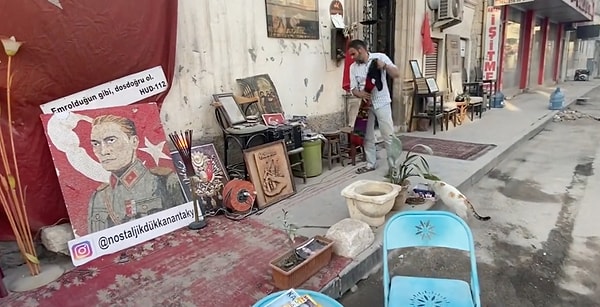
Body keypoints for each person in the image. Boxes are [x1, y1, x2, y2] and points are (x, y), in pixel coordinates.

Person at [87, 114, 185, 233]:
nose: (103, 151)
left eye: (111, 140)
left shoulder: (164, 181)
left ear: (134, 142)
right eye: (96, 144)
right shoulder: (100, 196)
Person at [348, 39, 400, 174]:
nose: (352, 57)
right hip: (365, 105)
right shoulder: (353, 67)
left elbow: (396, 74)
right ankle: (370, 164)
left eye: (353, 54)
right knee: (367, 135)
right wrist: (361, 94)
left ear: (360, 50)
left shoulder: (379, 57)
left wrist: (384, 66)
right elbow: (353, 89)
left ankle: (393, 167)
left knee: (388, 135)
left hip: (381, 102)